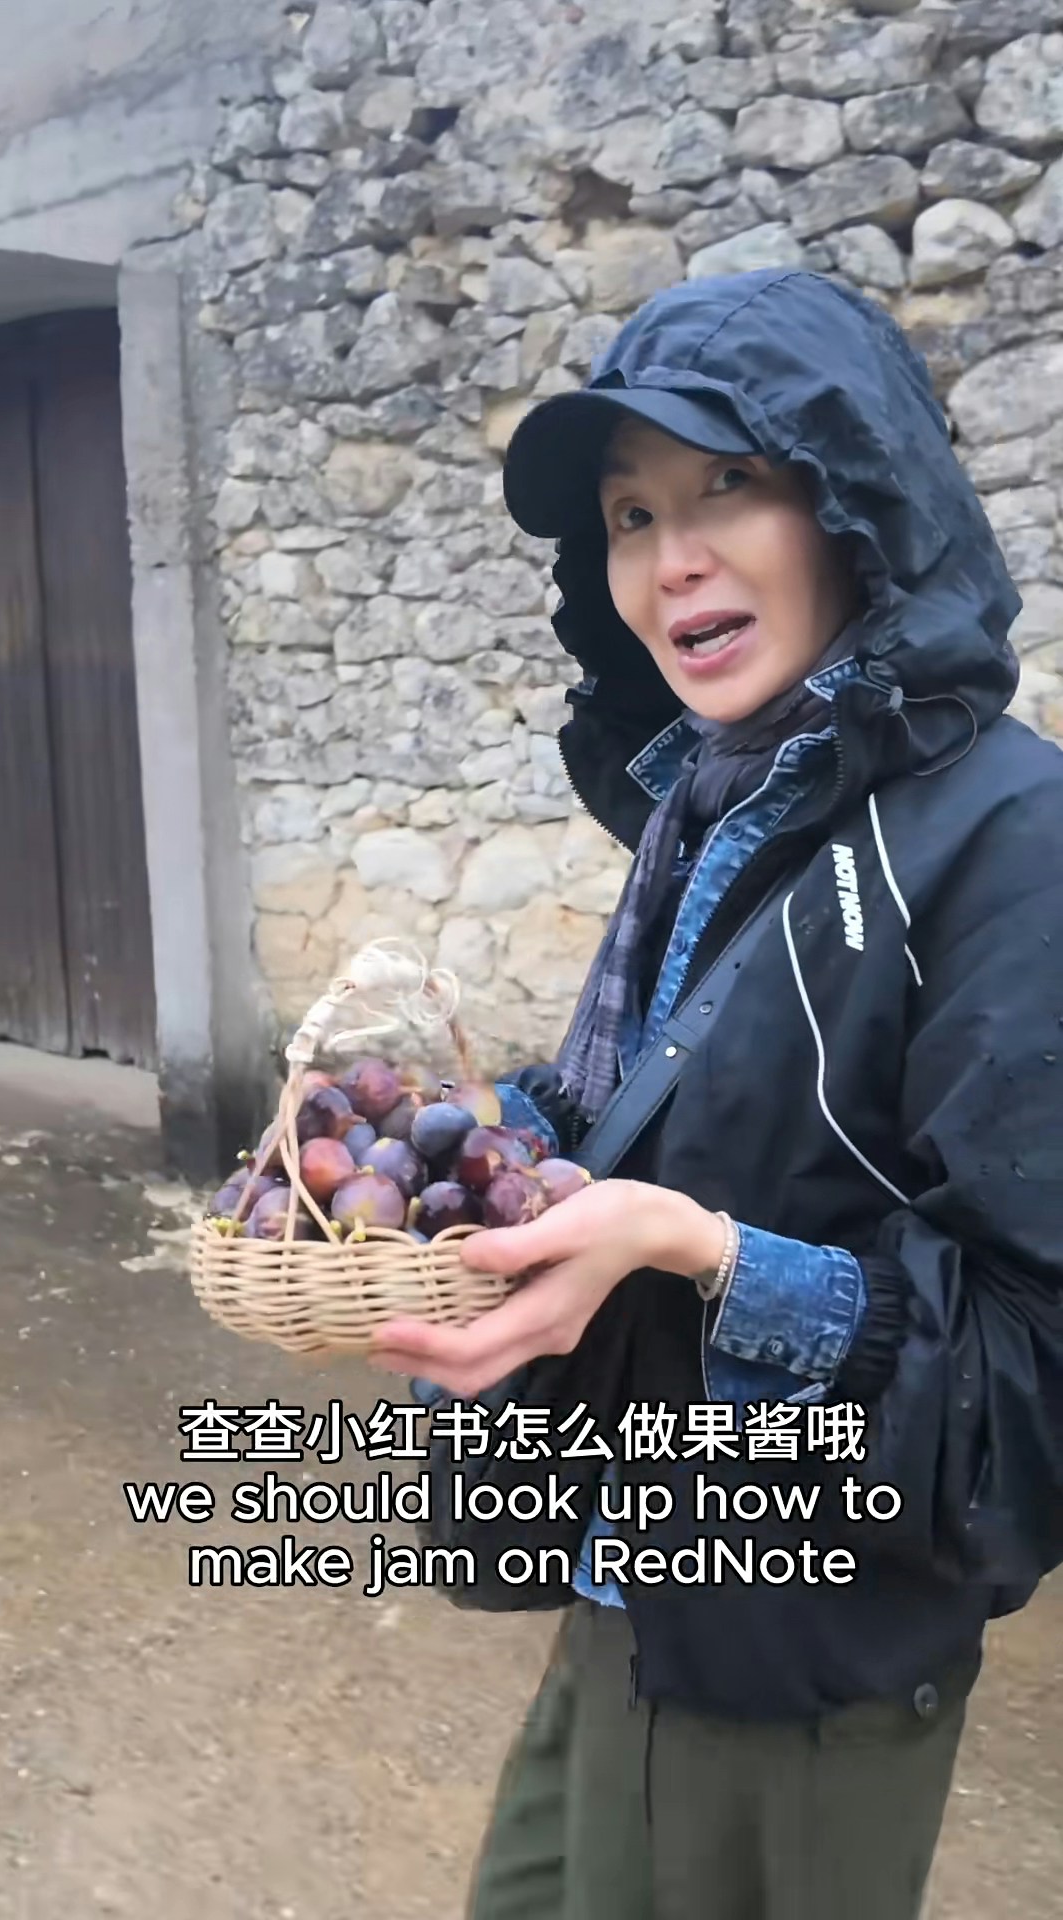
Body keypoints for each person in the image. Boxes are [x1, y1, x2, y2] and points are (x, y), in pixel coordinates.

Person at [368, 269, 1063, 1919]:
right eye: (630, 514)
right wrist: (479, 1138)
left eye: (727, 486)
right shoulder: (718, 804)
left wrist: (702, 1255)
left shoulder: (1016, 847)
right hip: (636, 1578)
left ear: (856, 507)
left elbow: (1028, 1379)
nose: (669, 560)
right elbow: (667, 1103)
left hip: (798, 1666)